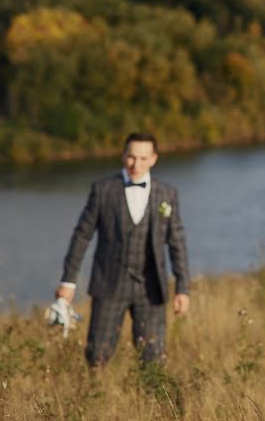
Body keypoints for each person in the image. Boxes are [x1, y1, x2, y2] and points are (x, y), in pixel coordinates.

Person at [55, 132, 191, 366]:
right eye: (131, 157)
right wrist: (68, 282)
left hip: (151, 289)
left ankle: (147, 401)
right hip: (109, 285)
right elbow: (81, 236)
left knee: (153, 359)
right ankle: (96, 397)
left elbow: (177, 242)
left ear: (154, 159)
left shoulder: (167, 194)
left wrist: (182, 287)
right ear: (122, 155)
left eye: (142, 158)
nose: (135, 164)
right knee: (97, 356)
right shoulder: (103, 190)